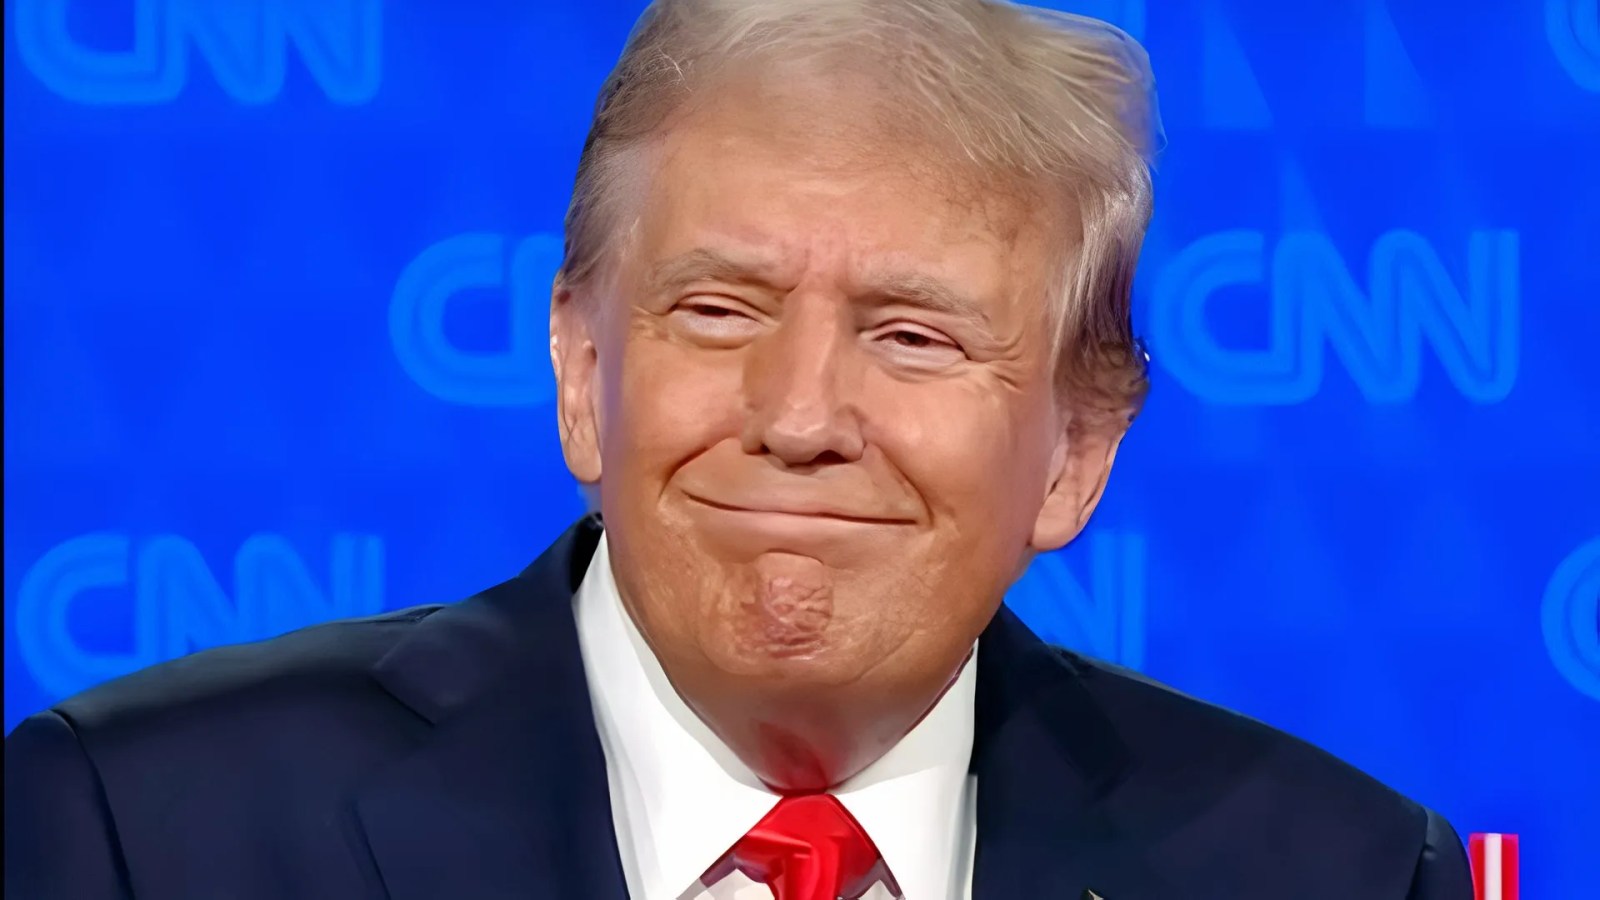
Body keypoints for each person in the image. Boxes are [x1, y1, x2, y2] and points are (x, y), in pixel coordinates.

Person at [5, 1, 1473, 897]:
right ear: (585, 373)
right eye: (717, 311)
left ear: (1077, 448)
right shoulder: (147, 832)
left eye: (913, 335)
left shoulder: (1334, 872)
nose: (799, 416)